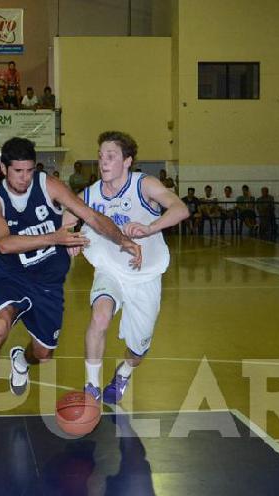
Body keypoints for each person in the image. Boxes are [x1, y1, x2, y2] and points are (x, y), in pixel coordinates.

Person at [0, 137, 142, 439]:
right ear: (3, 169)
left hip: (50, 284)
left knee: (43, 353)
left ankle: (20, 359)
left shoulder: (48, 185)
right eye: (17, 172)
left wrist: (122, 239)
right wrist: (55, 238)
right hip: (12, 278)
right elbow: (4, 243)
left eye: (29, 171)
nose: (24, 178)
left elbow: (89, 214)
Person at [63, 131, 189, 403]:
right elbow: (66, 217)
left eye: (111, 156)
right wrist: (69, 238)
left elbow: (180, 209)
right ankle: (91, 387)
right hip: (109, 270)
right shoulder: (91, 193)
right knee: (100, 316)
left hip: (145, 275)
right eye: (100, 157)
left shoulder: (144, 185)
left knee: (138, 351)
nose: (103, 162)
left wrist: (149, 228)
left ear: (127, 161)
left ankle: (125, 372)